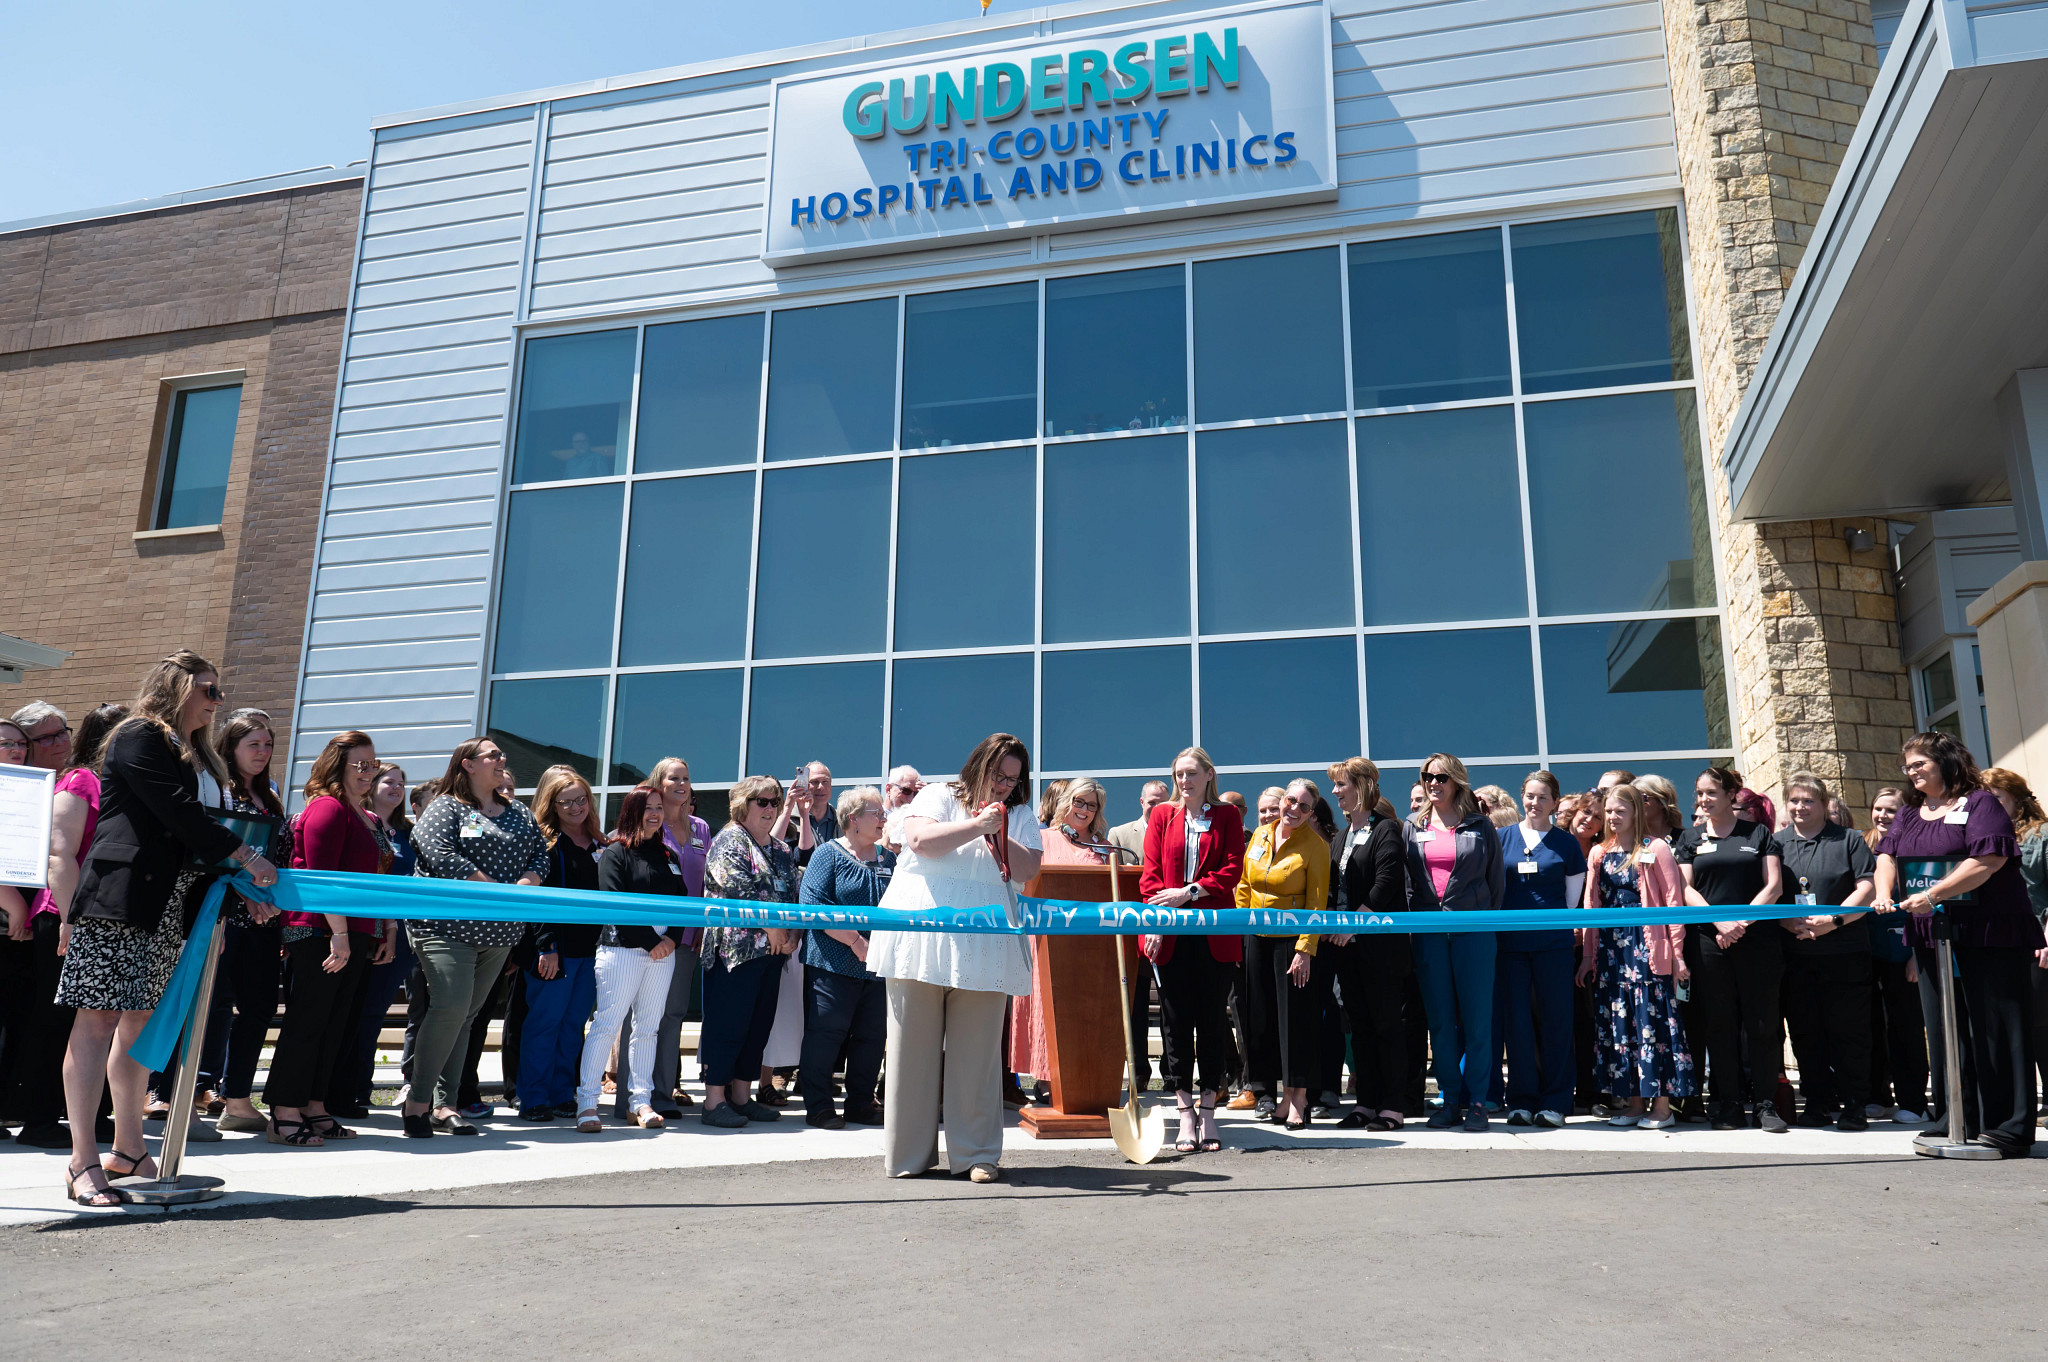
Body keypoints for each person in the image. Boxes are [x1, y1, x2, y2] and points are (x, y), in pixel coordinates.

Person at [55, 651, 280, 1207]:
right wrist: (247, 857)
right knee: (97, 1020)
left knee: (142, 1022)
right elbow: (174, 810)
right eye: (208, 689)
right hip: (121, 898)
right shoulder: (138, 735)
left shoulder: (204, 758)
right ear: (176, 686)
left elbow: (205, 833)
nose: (216, 701)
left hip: (176, 904)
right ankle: (82, 1160)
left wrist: (234, 898)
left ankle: (129, 1150)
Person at [869, 733, 1041, 1183]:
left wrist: (998, 828)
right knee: (911, 1053)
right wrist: (977, 826)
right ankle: (907, 1157)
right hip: (919, 940)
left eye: (1013, 779)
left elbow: (1027, 870)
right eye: (999, 775)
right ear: (980, 765)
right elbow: (921, 841)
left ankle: (977, 1155)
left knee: (978, 1058)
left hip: (986, 946)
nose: (1005, 786)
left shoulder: (1019, 815)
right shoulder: (938, 794)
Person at [1874, 733, 2042, 1156]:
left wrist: (1935, 894)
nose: (1911, 773)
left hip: (1989, 933)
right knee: (1945, 1025)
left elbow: (1989, 859)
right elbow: (1886, 856)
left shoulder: (1981, 803)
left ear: (1946, 762)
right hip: (1933, 936)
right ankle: (1958, 1114)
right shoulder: (1911, 812)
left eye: (1919, 764)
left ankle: (2006, 1125)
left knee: (1996, 1026)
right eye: (1907, 767)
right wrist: (1883, 891)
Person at [405, 737, 547, 1138]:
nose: (502, 760)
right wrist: (491, 890)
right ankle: (417, 1102)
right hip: (445, 927)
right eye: (493, 755)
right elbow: (438, 852)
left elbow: (541, 853)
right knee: (449, 1008)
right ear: (467, 765)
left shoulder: (518, 811)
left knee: (465, 1017)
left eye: (502, 754)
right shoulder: (446, 807)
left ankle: (445, 1105)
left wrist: (527, 880)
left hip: (499, 931)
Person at [263, 731, 389, 1146]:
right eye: (361, 765)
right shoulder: (327, 809)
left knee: (335, 1025)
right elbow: (321, 879)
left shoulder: (364, 815)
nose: (369, 773)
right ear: (337, 766)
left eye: (374, 764)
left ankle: (315, 1106)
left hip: (352, 933)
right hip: (318, 931)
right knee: (308, 1022)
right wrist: (339, 935)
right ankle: (283, 1111)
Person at [11, 703, 126, 1149]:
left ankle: (93, 1117)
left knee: (95, 1021)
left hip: (95, 918)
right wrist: (68, 918)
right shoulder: (81, 780)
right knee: (56, 1021)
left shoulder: (111, 784)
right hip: (62, 917)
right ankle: (39, 1120)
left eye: (64, 732)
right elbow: (60, 855)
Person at [1136, 749, 1246, 1151]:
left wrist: (1189, 892)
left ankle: (1210, 1111)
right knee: (1176, 1024)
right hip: (1172, 937)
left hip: (1214, 936)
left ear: (1209, 775)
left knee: (1213, 1024)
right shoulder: (1163, 817)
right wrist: (1156, 924)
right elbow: (1150, 877)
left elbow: (1232, 868)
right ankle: (1184, 1113)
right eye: (1179, 774)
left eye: (1191, 773)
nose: (1185, 781)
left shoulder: (1228, 817)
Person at [1677, 765, 1789, 1131]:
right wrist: (1720, 923)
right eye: (1699, 793)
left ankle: (1765, 1103)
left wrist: (1741, 923)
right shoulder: (1690, 839)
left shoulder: (1758, 834)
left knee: (1761, 1024)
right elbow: (1686, 890)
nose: (1703, 800)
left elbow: (1772, 887)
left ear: (1731, 795)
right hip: (1709, 941)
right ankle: (1725, 1104)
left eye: (1711, 792)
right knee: (1719, 1025)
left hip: (1757, 941)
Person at [1578, 783, 1692, 1128]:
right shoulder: (1598, 853)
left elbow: (1673, 903)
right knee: (1621, 1026)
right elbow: (1590, 905)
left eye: (1620, 812)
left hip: (1647, 950)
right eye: (1609, 812)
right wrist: (1588, 956)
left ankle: (1662, 1108)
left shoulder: (1656, 848)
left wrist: (1678, 954)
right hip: (1612, 952)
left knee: (1652, 1024)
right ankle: (1633, 1104)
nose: (1613, 818)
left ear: (1636, 813)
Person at [1404, 754, 1506, 1132]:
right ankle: (1449, 1101)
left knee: (1478, 1021)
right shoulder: (1412, 826)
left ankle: (1477, 1101)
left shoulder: (1480, 825)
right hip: (1430, 934)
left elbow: (1496, 884)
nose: (1433, 783)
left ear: (1457, 780)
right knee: (1441, 1023)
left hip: (1474, 932)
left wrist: (1475, 914)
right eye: (1427, 777)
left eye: (1441, 776)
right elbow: (1410, 883)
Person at [576, 787, 685, 1131]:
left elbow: (683, 903)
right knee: (606, 1025)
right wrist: (652, 941)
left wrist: (670, 940)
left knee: (648, 1029)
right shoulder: (616, 852)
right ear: (631, 813)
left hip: (663, 952)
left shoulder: (668, 855)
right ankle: (587, 1104)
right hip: (622, 950)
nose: (654, 814)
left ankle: (641, 1101)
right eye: (647, 809)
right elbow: (613, 905)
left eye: (658, 808)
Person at [1775, 771, 1877, 1130]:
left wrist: (1833, 920)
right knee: (1806, 1032)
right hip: (1795, 955)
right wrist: (1787, 923)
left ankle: (1854, 1107)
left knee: (1848, 1032)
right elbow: (1770, 891)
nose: (1800, 807)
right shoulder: (1776, 843)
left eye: (1808, 801)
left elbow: (1867, 886)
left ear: (1823, 804)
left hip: (1844, 951)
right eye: (1794, 800)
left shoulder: (1849, 839)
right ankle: (1816, 1104)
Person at [698, 776, 800, 1128]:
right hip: (734, 953)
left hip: (772, 956)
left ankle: (741, 1097)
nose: (770, 808)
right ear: (743, 804)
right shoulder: (728, 841)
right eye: (762, 801)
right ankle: (714, 1102)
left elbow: (793, 898)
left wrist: (792, 934)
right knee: (728, 1025)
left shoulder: (782, 850)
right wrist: (772, 927)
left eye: (775, 802)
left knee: (758, 1027)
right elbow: (737, 889)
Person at [614, 756, 708, 1122]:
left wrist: (698, 930)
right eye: (673, 778)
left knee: (672, 1015)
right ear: (658, 783)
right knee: (636, 1019)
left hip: (684, 939)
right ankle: (629, 1098)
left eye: (686, 778)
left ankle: (663, 1094)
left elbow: (703, 886)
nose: (681, 784)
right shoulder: (644, 826)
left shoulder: (700, 828)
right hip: (642, 939)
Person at [797, 786, 896, 1129]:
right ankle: (820, 1106)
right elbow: (812, 907)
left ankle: (860, 1104)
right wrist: (856, 942)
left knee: (872, 1037)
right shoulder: (828, 855)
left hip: (879, 966)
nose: (884, 818)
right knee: (827, 1034)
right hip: (832, 963)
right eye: (877, 813)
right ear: (853, 820)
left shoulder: (889, 859)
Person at [1495, 771, 1587, 1128]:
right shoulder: (1502, 837)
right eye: (1530, 796)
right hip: (1511, 946)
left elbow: (1570, 901)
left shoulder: (1565, 843)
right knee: (1517, 1024)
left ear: (1554, 802)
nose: (1535, 803)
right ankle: (1520, 1099)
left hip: (1553, 946)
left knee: (1556, 1021)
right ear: (1522, 797)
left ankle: (1556, 1101)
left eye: (1543, 797)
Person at [1321, 756, 1408, 1132]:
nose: (1336, 792)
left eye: (1342, 784)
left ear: (1363, 786)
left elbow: (1385, 883)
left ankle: (1392, 1106)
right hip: (1346, 948)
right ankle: (1366, 1104)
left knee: (1386, 1024)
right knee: (1361, 1026)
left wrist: (1352, 923)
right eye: (1336, 785)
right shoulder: (1340, 836)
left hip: (1379, 949)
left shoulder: (1386, 829)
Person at [1238, 778, 1330, 1130]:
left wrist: (1305, 949)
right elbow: (1245, 884)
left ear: (1311, 813)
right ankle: (1278, 1094)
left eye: (1303, 806)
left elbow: (1317, 904)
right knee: (1262, 1022)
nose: (1293, 809)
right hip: (1256, 937)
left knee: (1295, 1022)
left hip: (1293, 943)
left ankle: (1299, 1098)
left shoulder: (1316, 846)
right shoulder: (1261, 835)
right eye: (1291, 800)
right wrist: (1240, 927)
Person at [1012, 779, 1111, 1093]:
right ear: (1067, 802)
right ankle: (1046, 1077)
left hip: (1091, 947)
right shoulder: (1041, 840)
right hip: (1046, 943)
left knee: (1085, 1008)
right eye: (1079, 802)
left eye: (1091, 805)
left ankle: (1084, 1074)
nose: (1084, 810)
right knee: (1047, 1008)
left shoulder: (1105, 847)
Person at [519, 767, 603, 1123]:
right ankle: (534, 1098)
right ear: (551, 804)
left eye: (580, 799)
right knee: (544, 1025)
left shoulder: (601, 845)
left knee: (572, 1027)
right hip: (553, 951)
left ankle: (561, 1093)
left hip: (590, 952)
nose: (574, 807)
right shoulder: (544, 844)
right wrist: (546, 946)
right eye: (565, 802)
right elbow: (536, 902)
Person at [334, 762, 417, 1116]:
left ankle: (359, 1089)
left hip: (394, 939)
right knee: (346, 1012)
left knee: (371, 1016)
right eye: (389, 781)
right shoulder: (359, 822)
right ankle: (335, 1088)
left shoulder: (409, 834)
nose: (397, 788)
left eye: (402, 783)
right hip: (355, 933)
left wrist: (394, 932)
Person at [1979, 768, 2048, 1121]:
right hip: (2000, 941)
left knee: (2040, 1022)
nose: (1988, 806)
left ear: (2017, 802)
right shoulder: (1981, 837)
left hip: (2038, 940)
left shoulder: (2041, 835)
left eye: (1997, 799)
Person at [1862, 786, 1927, 1122]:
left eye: (1891, 809)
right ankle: (1877, 1094)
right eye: (1878, 809)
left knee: (1907, 1028)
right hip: (1868, 951)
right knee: (1872, 1025)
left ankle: (1913, 1101)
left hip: (1905, 953)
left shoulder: (1915, 845)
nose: (1883, 816)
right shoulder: (1861, 845)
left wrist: (1918, 953)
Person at [1109, 780, 1168, 863]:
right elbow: (1113, 873)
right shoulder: (1119, 835)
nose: (1157, 808)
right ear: (1142, 802)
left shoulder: (1179, 832)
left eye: (1162, 803)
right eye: (1152, 803)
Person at [882, 765, 925, 850]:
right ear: (888, 789)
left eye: (916, 794)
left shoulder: (918, 820)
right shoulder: (871, 816)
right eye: (906, 791)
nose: (911, 799)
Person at [1635, 775, 1682, 843]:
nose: (1637, 804)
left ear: (1662, 801)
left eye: (1642, 798)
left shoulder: (1684, 838)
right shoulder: (1630, 840)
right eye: (1633, 800)